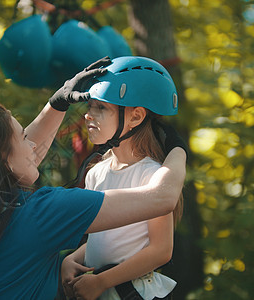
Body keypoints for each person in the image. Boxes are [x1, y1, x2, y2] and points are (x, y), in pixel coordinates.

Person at [0, 58, 187, 300]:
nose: (33, 147)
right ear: (2, 160)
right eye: (22, 139)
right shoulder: (42, 212)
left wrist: (57, 103)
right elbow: (162, 197)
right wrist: (177, 149)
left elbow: (138, 245)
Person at [60, 56, 184, 300]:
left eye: (101, 107)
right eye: (90, 106)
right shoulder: (96, 173)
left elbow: (161, 251)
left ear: (135, 117)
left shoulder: (153, 175)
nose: (88, 115)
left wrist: (101, 281)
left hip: (133, 292)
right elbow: (107, 241)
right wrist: (71, 259)